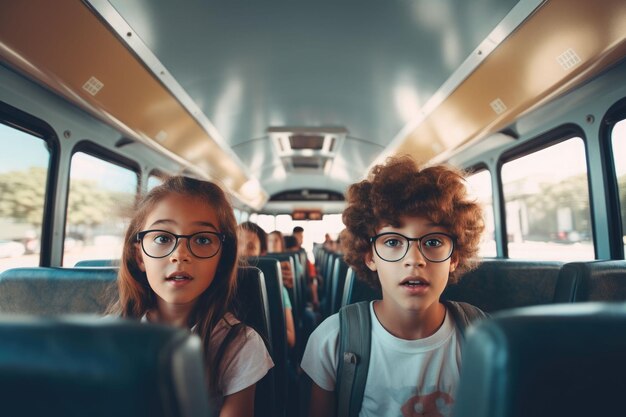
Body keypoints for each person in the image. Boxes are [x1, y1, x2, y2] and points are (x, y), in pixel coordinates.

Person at [300, 156, 487, 417]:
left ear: (454, 258)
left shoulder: (485, 337)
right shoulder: (333, 339)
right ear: (370, 256)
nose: (414, 260)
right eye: (392, 242)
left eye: (432, 242)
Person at [108, 176, 273, 416]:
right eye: (163, 238)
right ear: (140, 256)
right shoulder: (104, 337)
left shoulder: (240, 345)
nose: (180, 255)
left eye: (203, 240)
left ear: (222, 258)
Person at [238, 223, 296, 349]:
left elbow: (290, 339)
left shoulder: (277, 288)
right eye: (236, 244)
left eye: (250, 247)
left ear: (262, 253)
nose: (240, 252)